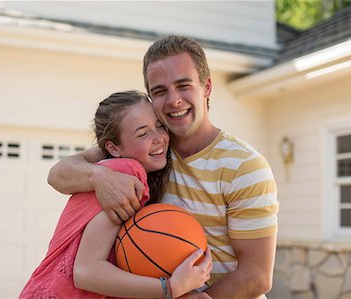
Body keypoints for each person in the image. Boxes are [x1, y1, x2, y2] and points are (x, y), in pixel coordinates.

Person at [48, 35, 279, 299]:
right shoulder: (148, 152)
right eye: (160, 91)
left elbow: (256, 276)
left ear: (206, 87)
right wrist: (99, 176)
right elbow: (58, 174)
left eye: (183, 85)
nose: (173, 100)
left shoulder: (245, 166)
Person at [19, 90, 212, 299]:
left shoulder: (132, 174)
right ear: (113, 148)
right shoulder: (126, 171)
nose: (158, 138)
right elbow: (86, 272)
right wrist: (170, 288)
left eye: (159, 126)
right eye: (142, 133)